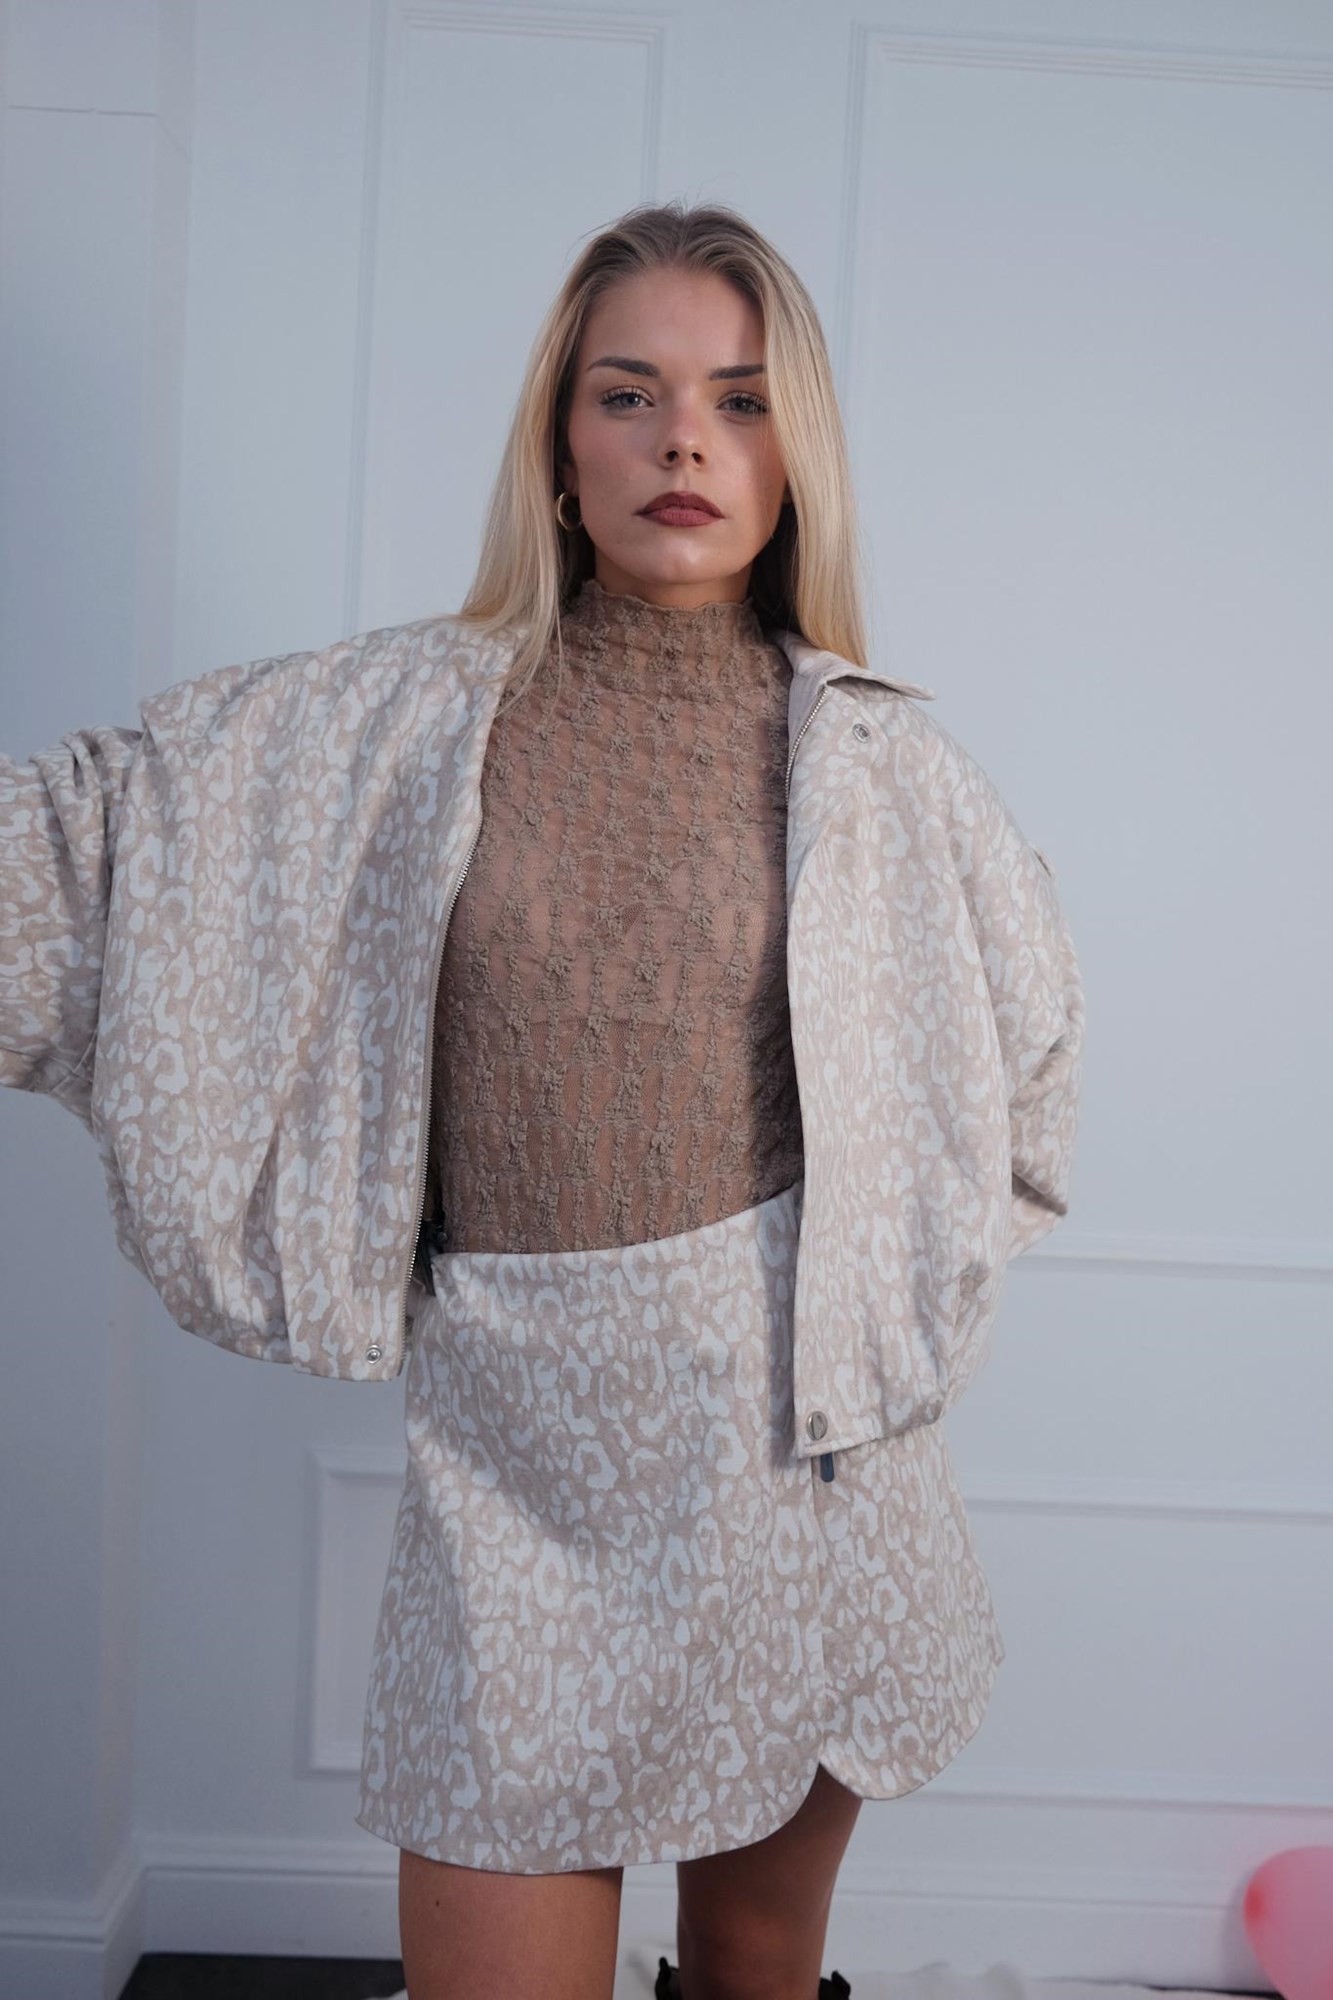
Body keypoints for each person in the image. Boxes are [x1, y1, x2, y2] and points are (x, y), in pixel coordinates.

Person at [0, 201, 1084, 2000]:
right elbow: (94, 845)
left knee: (754, 1978)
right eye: (627, 394)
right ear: (559, 447)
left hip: (800, 1470)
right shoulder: (393, 724)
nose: (683, 443)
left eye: (740, 401)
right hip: (518, 1469)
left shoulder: (890, 764)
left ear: (794, 456)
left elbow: (1024, 1077)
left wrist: (887, 1293)